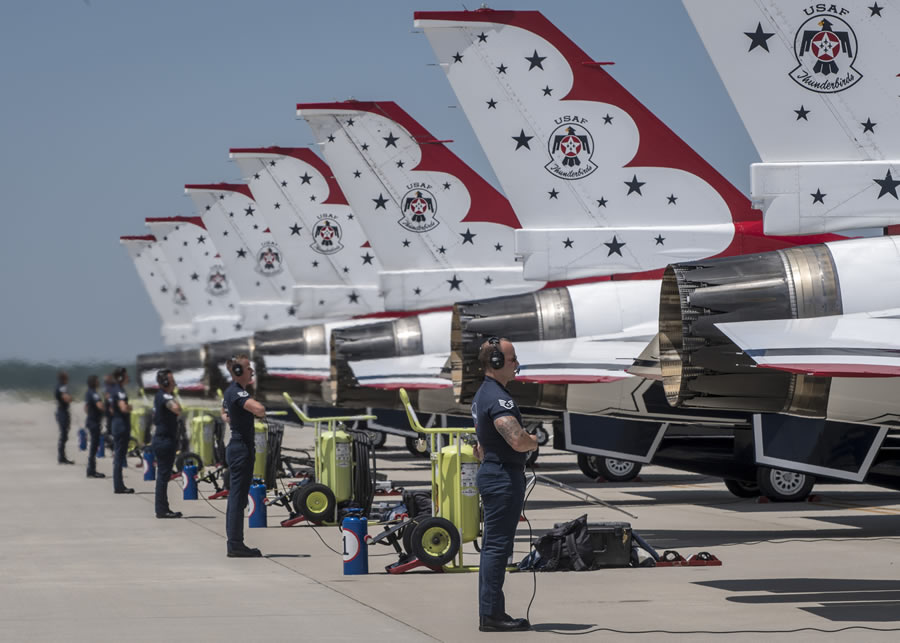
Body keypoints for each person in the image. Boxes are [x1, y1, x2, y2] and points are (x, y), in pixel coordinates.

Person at [471, 337, 538, 633]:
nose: (517, 364)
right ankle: (492, 615)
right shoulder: (500, 398)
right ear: (496, 363)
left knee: (493, 548)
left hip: (493, 472)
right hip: (502, 477)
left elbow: (480, 446)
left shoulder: (483, 394)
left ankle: (491, 612)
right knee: (497, 548)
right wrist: (533, 441)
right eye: (512, 360)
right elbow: (515, 438)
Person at [222, 354, 266, 557]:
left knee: (238, 499)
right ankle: (235, 544)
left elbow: (225, 414)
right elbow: (259, 409)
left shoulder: (233, 392)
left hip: (239, 447)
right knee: (237, 499)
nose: (252, 371)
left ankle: (235, 543)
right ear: (239, 372)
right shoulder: (236, 393)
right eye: (249, 368)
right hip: (241, 449)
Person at [152, 369, 183, 519]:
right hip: (164, 440)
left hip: (163, 439)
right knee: (163, 476)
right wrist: (174, 398)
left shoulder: (160, 396)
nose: (174, 382)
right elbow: (176, 409)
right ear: (165, 382)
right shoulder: (164, 396)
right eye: (171, 380)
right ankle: (162, 509)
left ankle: (162, 508)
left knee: (163, 476)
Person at [109, 367, 134, 494]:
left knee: (118, 456)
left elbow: (112, 409)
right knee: (119, 456)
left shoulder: (114, 390)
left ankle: (119, 484)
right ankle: (119, 486)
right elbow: (123, 408)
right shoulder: (120, 391)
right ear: (120, 378)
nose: (128, 377)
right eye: (126, 375)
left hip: (117, 424)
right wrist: (130, 407)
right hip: (121, 426)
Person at [83, 375, 106, 478]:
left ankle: (91, 469)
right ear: (94, 382)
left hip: (91, 421)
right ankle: (91, 470)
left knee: (93, 446)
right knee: (93, 447)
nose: (99, 382)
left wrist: (91, 415)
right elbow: (99, 405)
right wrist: (107, 410)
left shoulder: (88, 393)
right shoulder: (94, 393)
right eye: (97, 381)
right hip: (94, 423)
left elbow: (86, 408)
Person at [54, 371, 74, 464]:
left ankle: (62, 456)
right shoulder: (62, 387)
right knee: (63, 435)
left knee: (64, 434)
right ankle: (61, 457)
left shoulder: (60, 386)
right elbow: (66, 398)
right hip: (62, 412)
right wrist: (70, 398)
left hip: (62, 411)